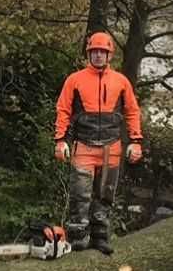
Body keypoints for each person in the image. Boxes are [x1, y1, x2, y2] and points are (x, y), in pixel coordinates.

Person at [53, 31, 143, 254]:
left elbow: (132, 111)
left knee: (105, 193)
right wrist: (61, 139)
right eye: (94, 52)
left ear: (109, 54)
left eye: (102, 52)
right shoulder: (74, 80)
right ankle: (78, 238)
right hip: (83, 144)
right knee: (80, 194)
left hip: (111, 146)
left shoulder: (121, 82)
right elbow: (63, 109)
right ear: (89, 53)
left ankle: (100, 236)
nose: (98, 56)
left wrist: (135, 140)